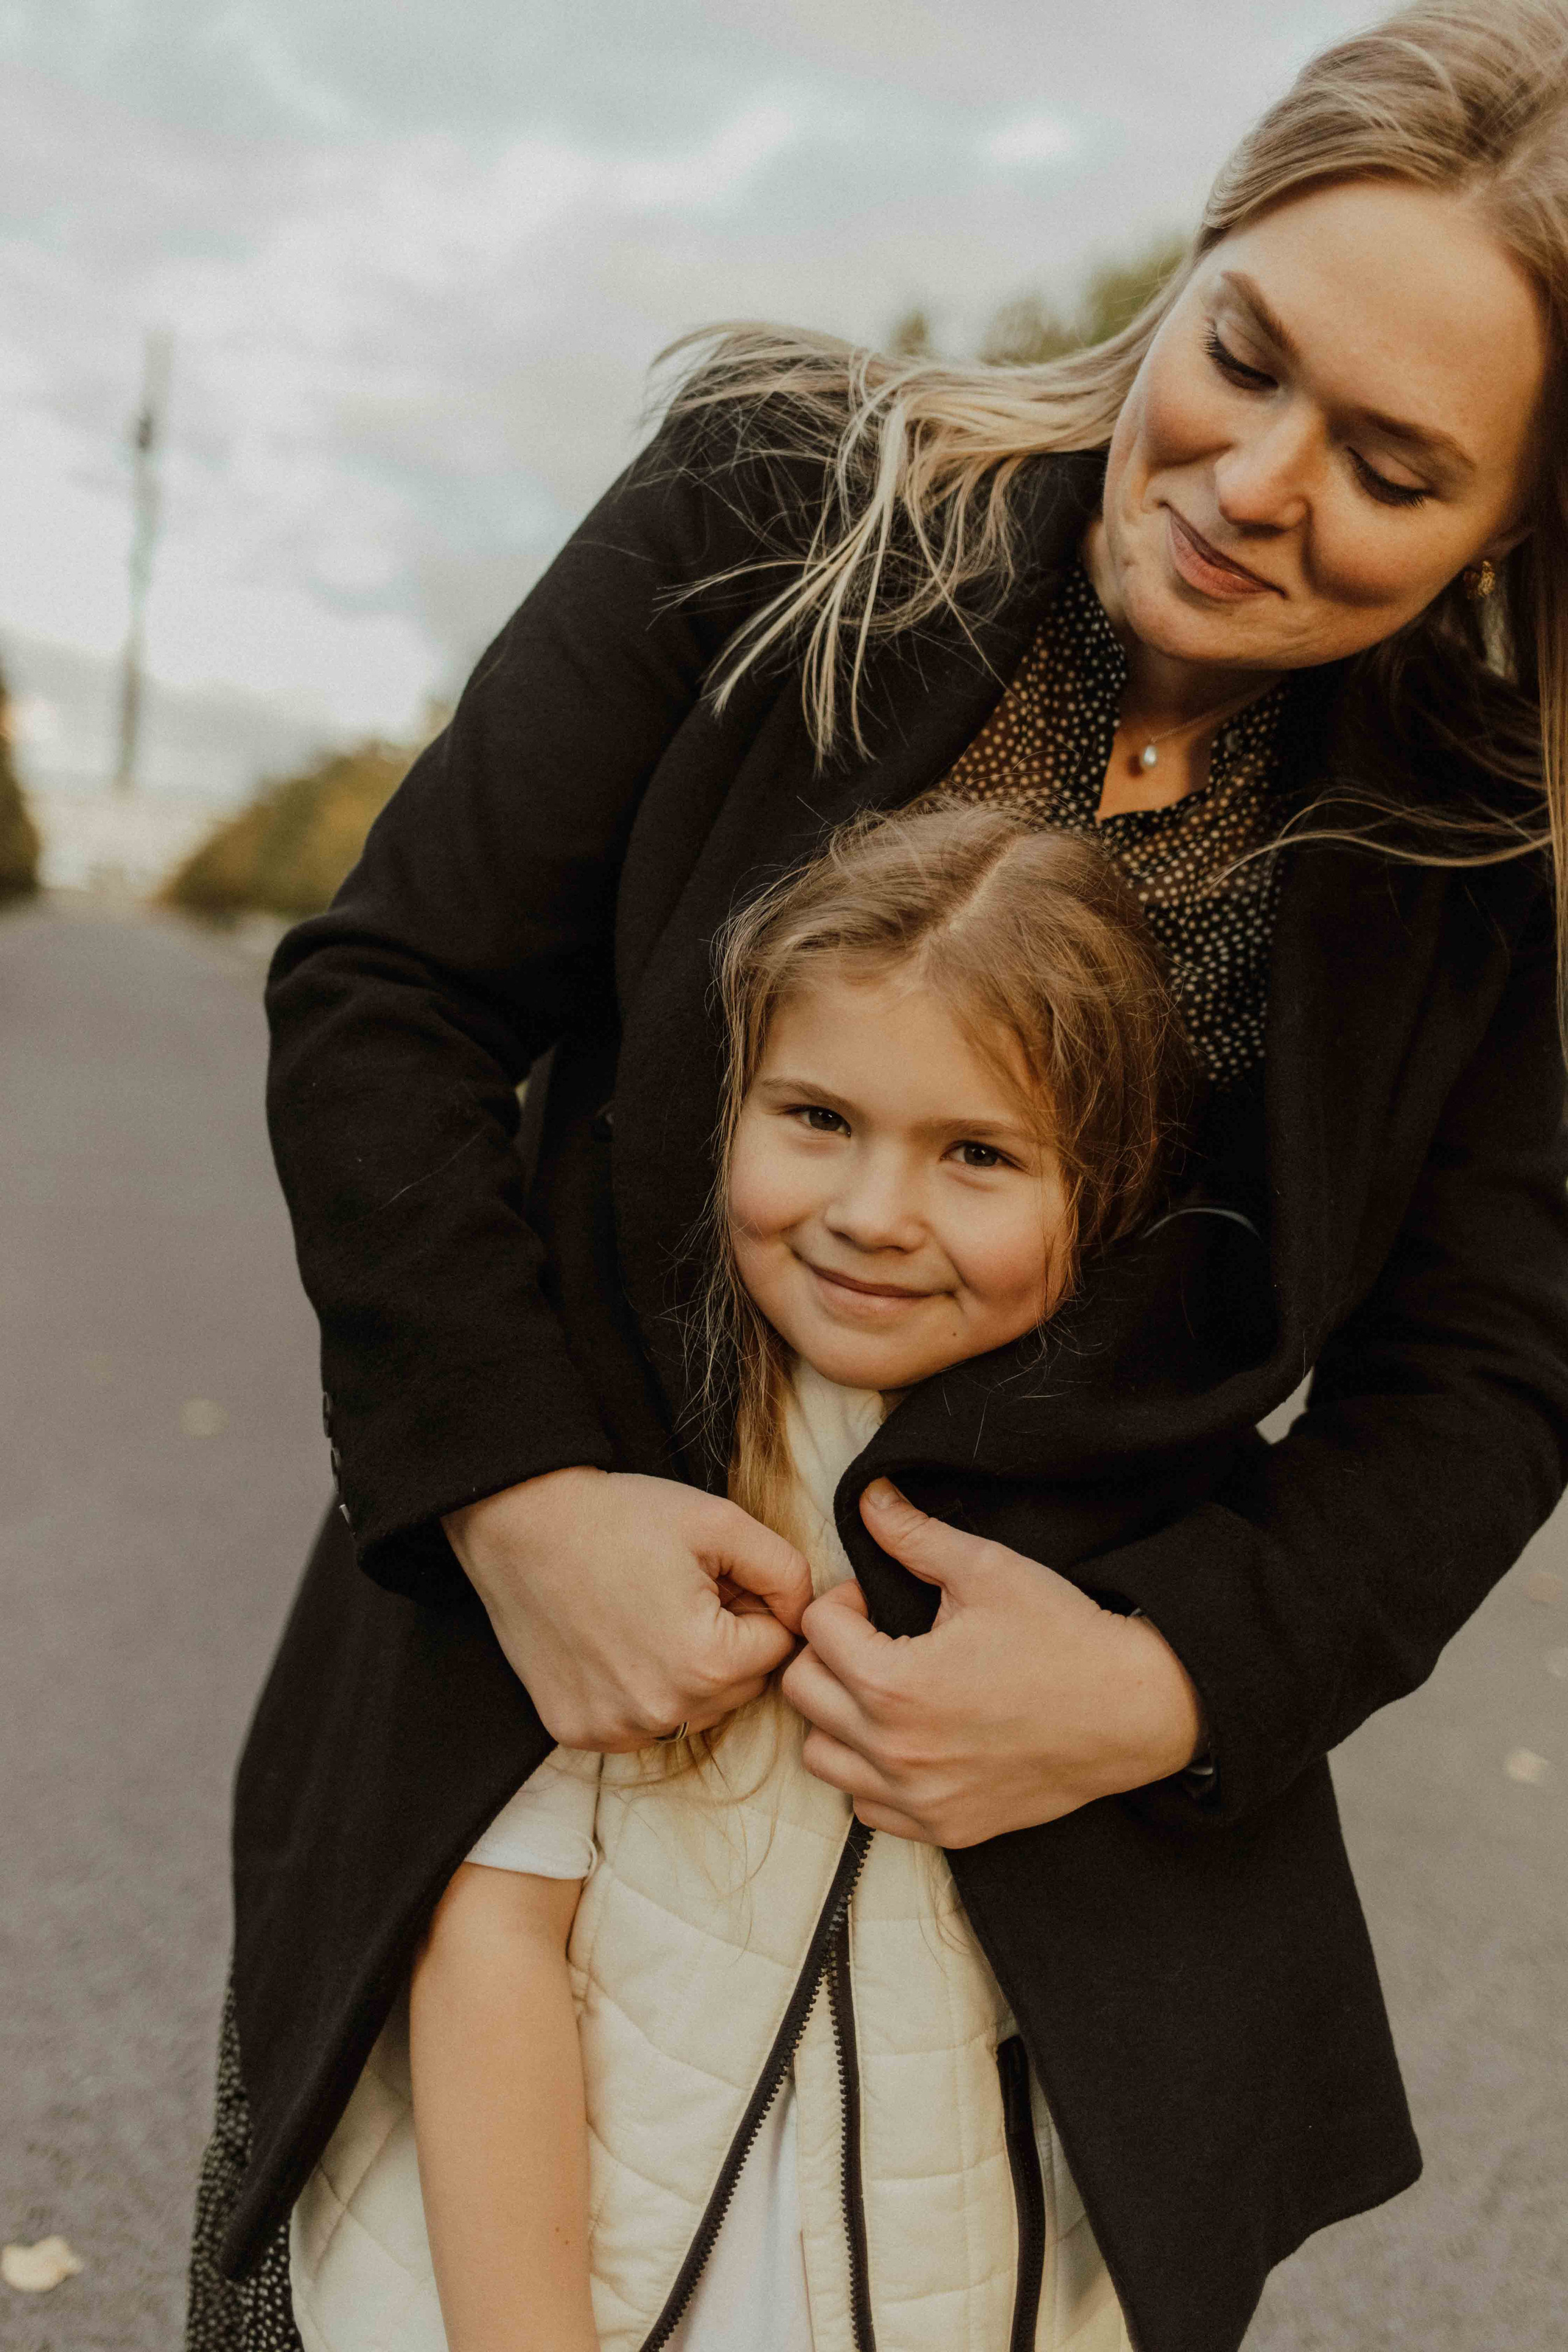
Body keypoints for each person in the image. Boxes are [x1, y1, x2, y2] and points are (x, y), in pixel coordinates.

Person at [186, 8, 1568, 2352]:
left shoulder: (1489, 858)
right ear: (1207, 251)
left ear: (1515, 532)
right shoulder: (779, 509)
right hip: (529, 1713)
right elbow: (394, 996)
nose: (1254, 479)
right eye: (1244, 357)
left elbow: (1493, 1375)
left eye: (1395, 469)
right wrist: (521, 1498)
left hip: (1039, 1902)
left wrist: (1170, 1684)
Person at [286, 805, 1195, 2352]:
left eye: (976, 1152)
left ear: (1096, 1189)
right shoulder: (616, 1457)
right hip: (577, 2259)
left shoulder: (1140, 1509)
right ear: (726, 1106)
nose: (869, 1216)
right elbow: (485, 1930)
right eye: (816, 1118)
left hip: (933, 2260)